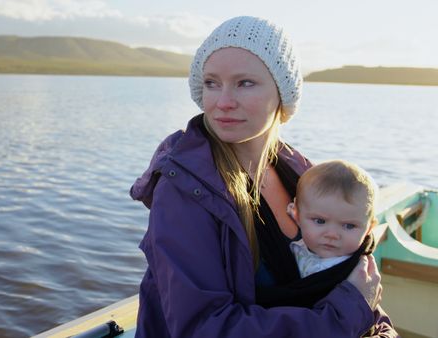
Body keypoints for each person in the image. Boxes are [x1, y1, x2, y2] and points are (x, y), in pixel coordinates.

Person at [130, 16, 398, 337]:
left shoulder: (299, 172)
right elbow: (203, 328)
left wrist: (380, 329)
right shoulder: (185, 190)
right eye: (212, 83)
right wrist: (346, 316)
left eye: (245, 83)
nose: (223, 102)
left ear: (282, 92)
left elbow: (351, 281)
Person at [255, 160, 380, 310]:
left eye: (349, 226)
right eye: (320, 221)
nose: (332, 235)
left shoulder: (355, 273)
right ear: (296, 215)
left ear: (369, 228)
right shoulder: (298, 248)